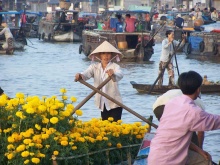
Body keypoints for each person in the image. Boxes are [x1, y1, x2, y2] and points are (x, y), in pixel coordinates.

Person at [148, 70, 220, 165]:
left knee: (203, 160)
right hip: (168, 160)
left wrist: (199, 150)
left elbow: (177, 136)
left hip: (155, 155)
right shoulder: (193, 111)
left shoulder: (172, 103)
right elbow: (215, 122)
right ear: (198, 89)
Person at [75, 41, 124, 121]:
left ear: (111, 55)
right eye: (103, 54)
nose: (106, 56)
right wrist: (80, 75)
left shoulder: (115, 67)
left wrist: (113, 74)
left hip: (115, 103)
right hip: (102, 103)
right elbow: (86, 74)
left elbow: (120, 74)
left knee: (115, 127)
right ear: (100, 55)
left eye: (108, 54)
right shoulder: (94, 67)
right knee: (105, 127)